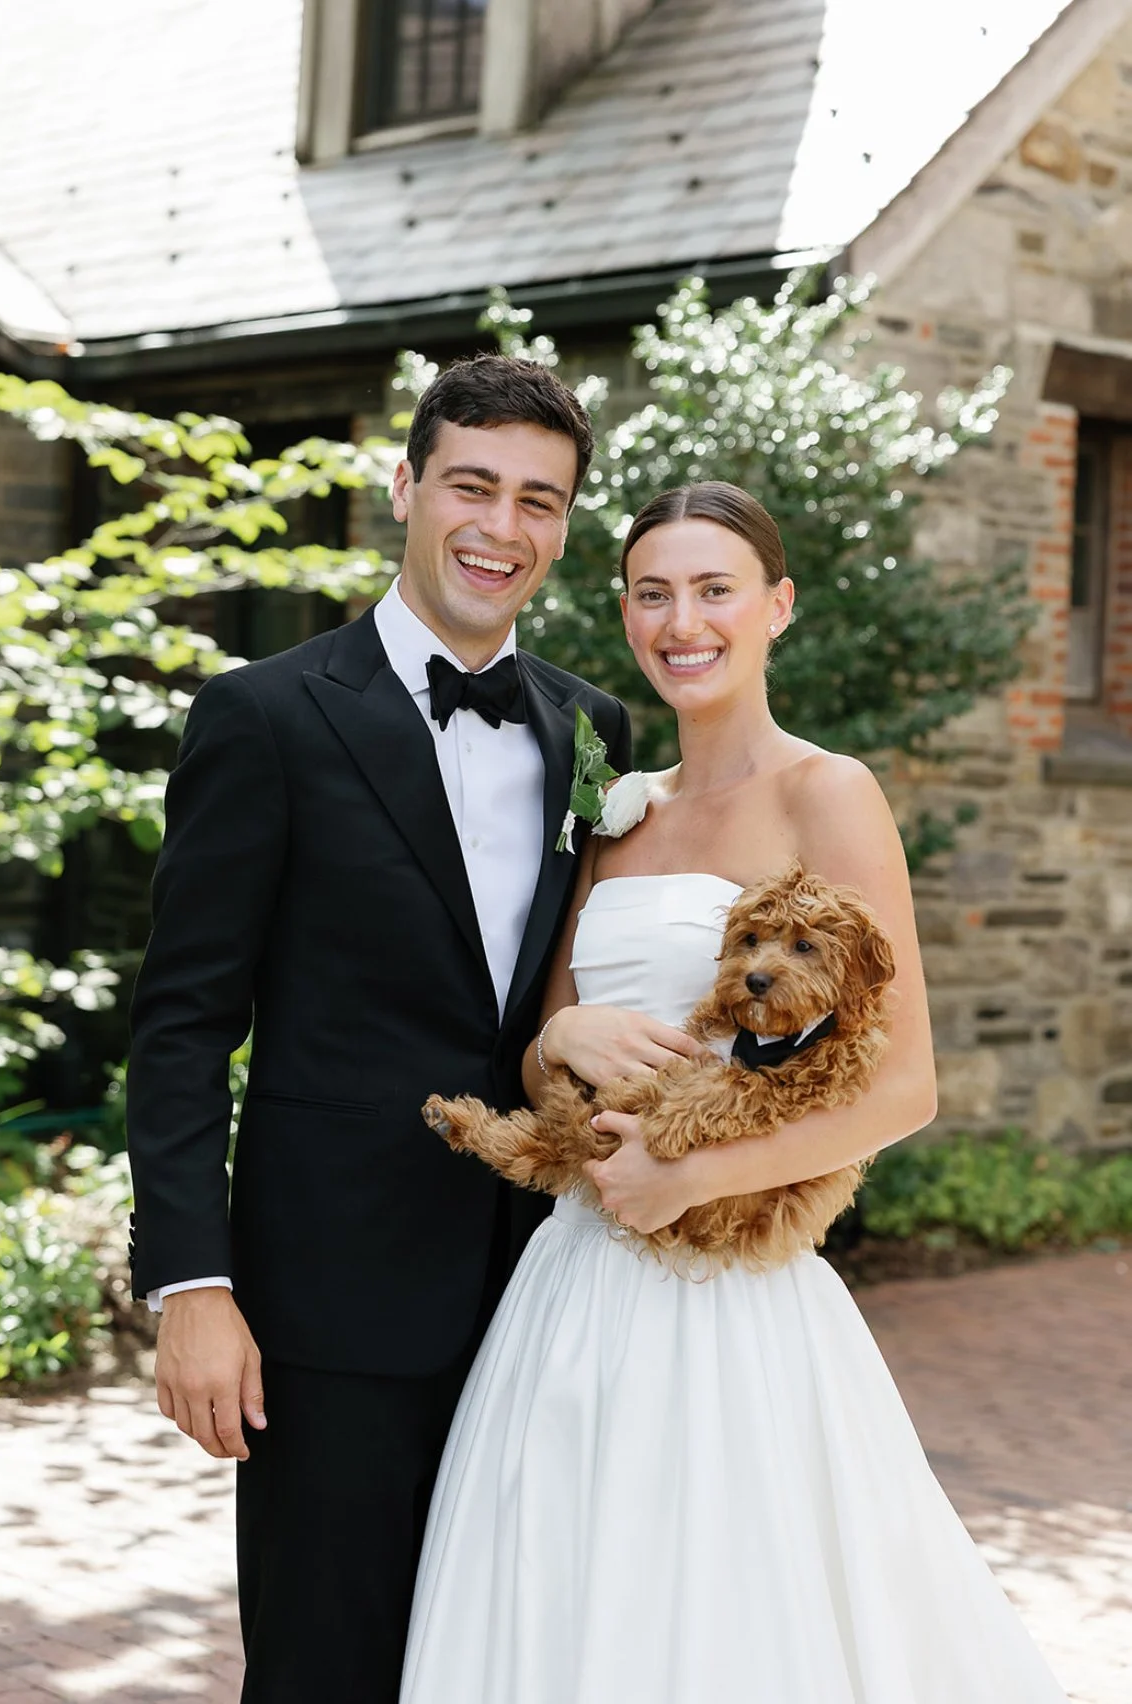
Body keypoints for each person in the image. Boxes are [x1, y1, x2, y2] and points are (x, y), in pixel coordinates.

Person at [400, 481, 1070, 1703]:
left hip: (729, 1290)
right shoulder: (616, 810)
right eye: (654, 594)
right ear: (624, 614)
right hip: (574, 1283)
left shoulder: (829, 792)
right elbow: (541, 1046)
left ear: (778, 606)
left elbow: (903, 1082)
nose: (683, 621)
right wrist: (567, 1037)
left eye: (715, 590)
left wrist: (684, 1177)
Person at [125, 354, 642, 1703]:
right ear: (404, 486)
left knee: (511, 1660)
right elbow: (183, 1022)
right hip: (330, 1302)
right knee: (325, 1667)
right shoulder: (265, 716)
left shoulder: (593, 729)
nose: (501, 527)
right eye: (470, 485)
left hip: (548, 1290)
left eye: (540, 500)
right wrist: (193, 1286)